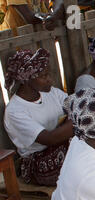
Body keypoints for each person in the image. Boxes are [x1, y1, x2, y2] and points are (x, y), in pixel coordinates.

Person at [3, 48, 73, 186]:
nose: (50, 80)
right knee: (83, 145)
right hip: (38, 162)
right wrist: (78, 122)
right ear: (26, 80)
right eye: (43, 76)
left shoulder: (52, 93)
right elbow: (49, 139)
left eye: (48, 74)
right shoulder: (15, 111)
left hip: (63, 144)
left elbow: (77, 106)